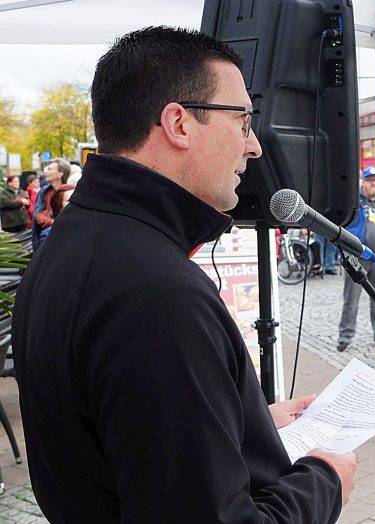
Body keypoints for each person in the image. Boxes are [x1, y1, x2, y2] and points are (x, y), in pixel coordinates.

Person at [12, 27, 355, 523]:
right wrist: (324, 481)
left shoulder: (81, 238)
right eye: (242, 121)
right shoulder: (156, 294)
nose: (254, 146)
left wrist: (246, 426)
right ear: (178, 123)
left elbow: (131, 442)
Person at [339, 166, 375, 351]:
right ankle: (345, 336)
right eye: (370, 180)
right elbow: (341, 226)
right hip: (358, 257)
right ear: (363, 181)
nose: (374, 183)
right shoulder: (354, 202)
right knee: (351, 299)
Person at [32, 158, 71, 249]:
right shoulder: (43, 192)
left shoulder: (70, 191)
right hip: (46, 238)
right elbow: (37, 216)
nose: (46, 172)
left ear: (60, 174)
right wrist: (52, 221)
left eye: (50, 169)